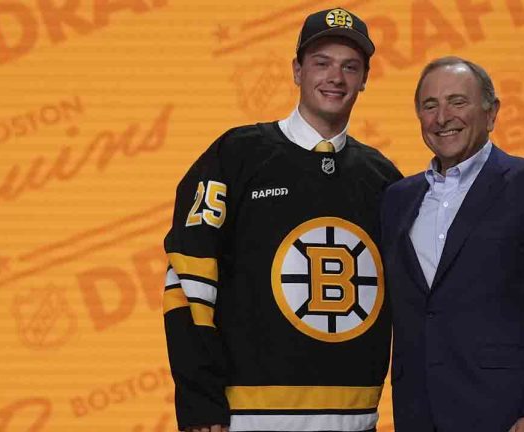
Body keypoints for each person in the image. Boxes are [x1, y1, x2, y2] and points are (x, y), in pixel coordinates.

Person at [162, 8, 402, 432]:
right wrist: (200, 400)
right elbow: (188, 280)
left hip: (356, 419)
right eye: (321, 63)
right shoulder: (235, 155)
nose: (336, 78)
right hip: (245, 418)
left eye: (350, 67)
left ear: (365, 78)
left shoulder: (384, 178)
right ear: (296, 70)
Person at [380, 56, 524, 432]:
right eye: (430, 105)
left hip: (505, 414)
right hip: (417, 413)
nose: (442, 117)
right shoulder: (397, 199)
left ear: (491, 114)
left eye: (458, 102)